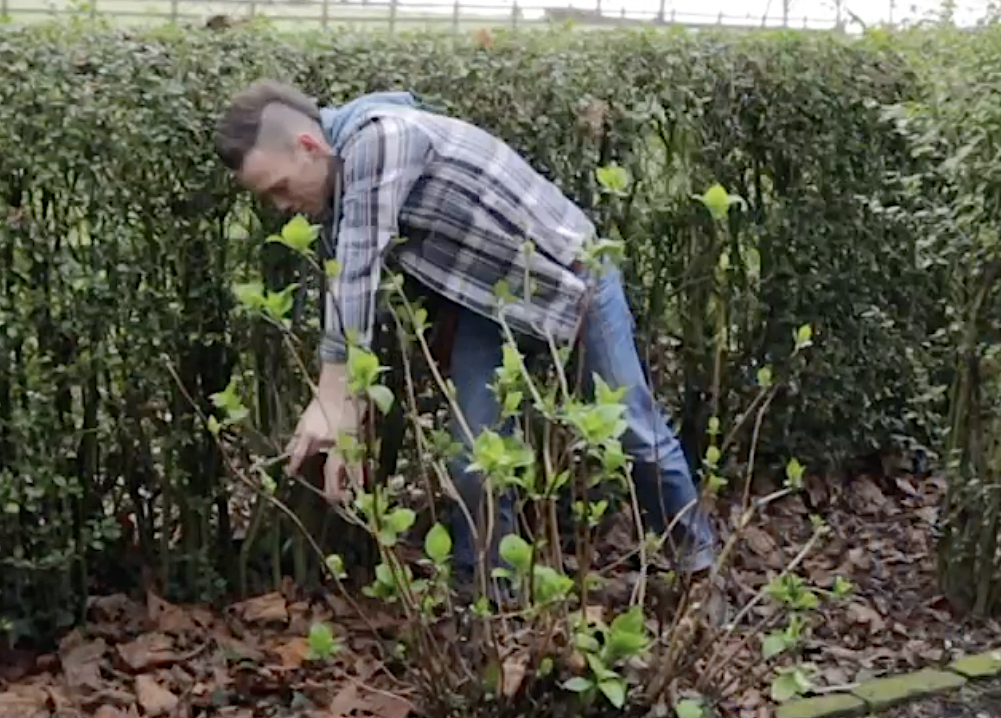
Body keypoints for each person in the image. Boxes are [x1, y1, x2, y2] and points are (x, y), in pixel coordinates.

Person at [213, 79, 722, 615]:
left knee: (633, 432)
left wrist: (333, 395)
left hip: (575, 280)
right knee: (476, 461)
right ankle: (487, 601)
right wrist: (352, 407)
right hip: (489, 306)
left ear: (309, 146)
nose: (281, 208)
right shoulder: (339, 183)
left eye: (278, 188)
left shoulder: (381, 140)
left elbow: (356, 275)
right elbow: (353, 293)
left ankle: (699, 569)